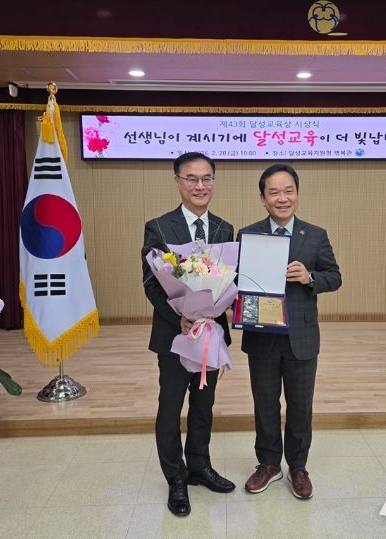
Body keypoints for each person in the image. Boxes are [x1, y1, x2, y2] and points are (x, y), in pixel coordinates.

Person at [238, 163, 341, 500]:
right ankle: (269, 464)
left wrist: (310, 277)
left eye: (288, 191)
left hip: (302, 337)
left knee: (300, 407)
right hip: (261, 335)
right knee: (265, 404)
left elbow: (334, 277)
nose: (282, 198)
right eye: (274, 192)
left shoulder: (315, 235)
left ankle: (298, 467)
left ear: (297, 194)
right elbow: (237, 281)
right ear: (263, 198)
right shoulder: (248, 235)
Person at [141, 152, 236, 517]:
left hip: (210, 334)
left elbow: (226, 280)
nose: (200, 186)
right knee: (170, 406)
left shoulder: (225, 229)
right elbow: (152, 283)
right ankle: (176, 478)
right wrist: (179, 316)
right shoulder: (159, 227)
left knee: (203, 404)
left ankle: (199, 466)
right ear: (177, 182)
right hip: (174, 335)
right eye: (192, 178)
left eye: (206, 178)